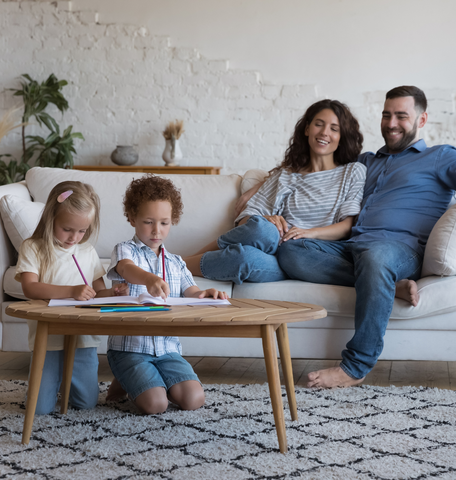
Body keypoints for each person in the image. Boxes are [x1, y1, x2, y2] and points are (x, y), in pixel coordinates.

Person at [271, 85, 456, 388]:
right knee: (291, 250)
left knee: (376, 257)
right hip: (351, 246)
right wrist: (259, 187)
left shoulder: (440, 157)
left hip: (399, 249)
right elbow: (309, 169)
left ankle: (355, 366)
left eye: (401, 116)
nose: (391, 123)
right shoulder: (364, 161)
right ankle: (383, 284)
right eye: (386, 115)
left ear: (422, 121)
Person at [183, 99, 367, 284]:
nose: (324, 132)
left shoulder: (352, 171)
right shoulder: (285, 175)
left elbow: (347, 225)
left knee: (273, 252)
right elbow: (247, 220)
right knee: (254, 244)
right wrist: (266, 220)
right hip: (275, 257)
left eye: (334, 129)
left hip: (312, 256)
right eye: (318, 124)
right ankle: (177, 265)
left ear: (342, 136)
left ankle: (176, 263)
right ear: (307, 129)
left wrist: (309, 233)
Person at [105, 175, 228, 414]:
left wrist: (207, 293)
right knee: (156, 405)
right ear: (132, 218)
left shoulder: (176, 262)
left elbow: (192, 292)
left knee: (194, 399)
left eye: (164, 223)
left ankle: (143, 380)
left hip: (167, 350)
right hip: (130, 349)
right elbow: (126, 269)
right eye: (148, 222)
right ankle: (132, 378)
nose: (156, 231)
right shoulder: (125, 250)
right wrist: (148, 279)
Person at [15, 181, 128, 414]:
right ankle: (49, 385)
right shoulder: (33, 247)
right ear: (50, 218)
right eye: (67, 229)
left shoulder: (87, 252)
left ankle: (64, 384)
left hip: (82, 338)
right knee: (38, 409)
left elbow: (97, 292)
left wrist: (112, 292)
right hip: (48, 337)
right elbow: (30, 288)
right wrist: (71, 291)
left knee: (86, 404)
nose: (74, 237)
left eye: (82, 231)